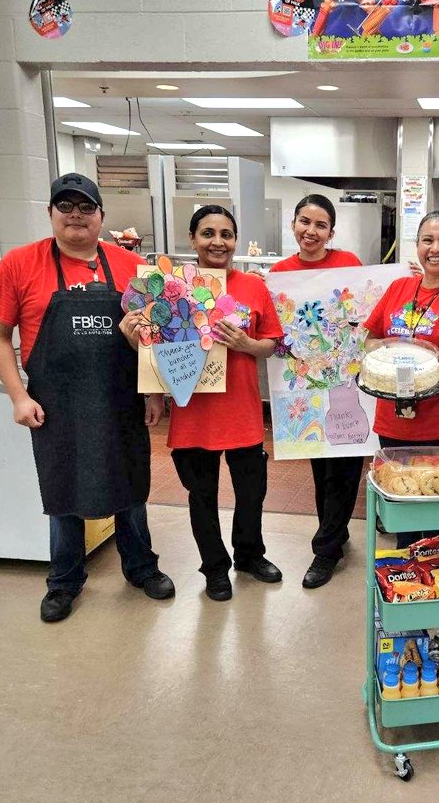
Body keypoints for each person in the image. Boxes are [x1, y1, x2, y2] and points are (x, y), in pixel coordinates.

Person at [0, 173, 174, 623]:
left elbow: (153, 337)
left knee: (130, 487)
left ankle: (142, 568)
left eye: (85, 207)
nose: (75, 215)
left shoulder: (129, 266)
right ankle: (63, 582)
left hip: (121, 399)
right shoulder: (20, 264)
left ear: (101, 216)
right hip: (56, 405)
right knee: (63, 490)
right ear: (50, 213)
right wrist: (17, 396)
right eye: (65, 207)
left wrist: (154, 391)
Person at [163, 206, 284, 601]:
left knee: (252, 493)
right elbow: (152, 347)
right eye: (208, 233)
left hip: (242, 412)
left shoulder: (252, 285)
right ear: (192, 239)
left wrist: (247, 345)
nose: (218, 242)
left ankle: (249, 555)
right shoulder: (172, 286)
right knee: (202, 497)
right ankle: (214, 568)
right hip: (193, 414)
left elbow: (272, 341)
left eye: (227, 234)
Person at [362, 211, 439, 548]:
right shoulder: (399, 287)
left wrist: (424, 383)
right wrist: (385, 351)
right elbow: (370, 338)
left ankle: (434, 588)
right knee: (401, 511)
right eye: (428, 240)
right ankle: (405, 582)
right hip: (392, 425)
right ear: (417, 246)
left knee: (436, 522)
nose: (435, 248)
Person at [270, 194, 364, 589]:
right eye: (304, 222)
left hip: (345, 384)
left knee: (344, 468)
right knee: (320, 469)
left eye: (320, 225)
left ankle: (324, 551)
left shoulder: (350, 265)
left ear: (331, 232)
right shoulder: (278, 273)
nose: (311, 231)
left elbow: (366, 311)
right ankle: (336, 533)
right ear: (293, 224)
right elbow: (274, 332)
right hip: (304, 387)